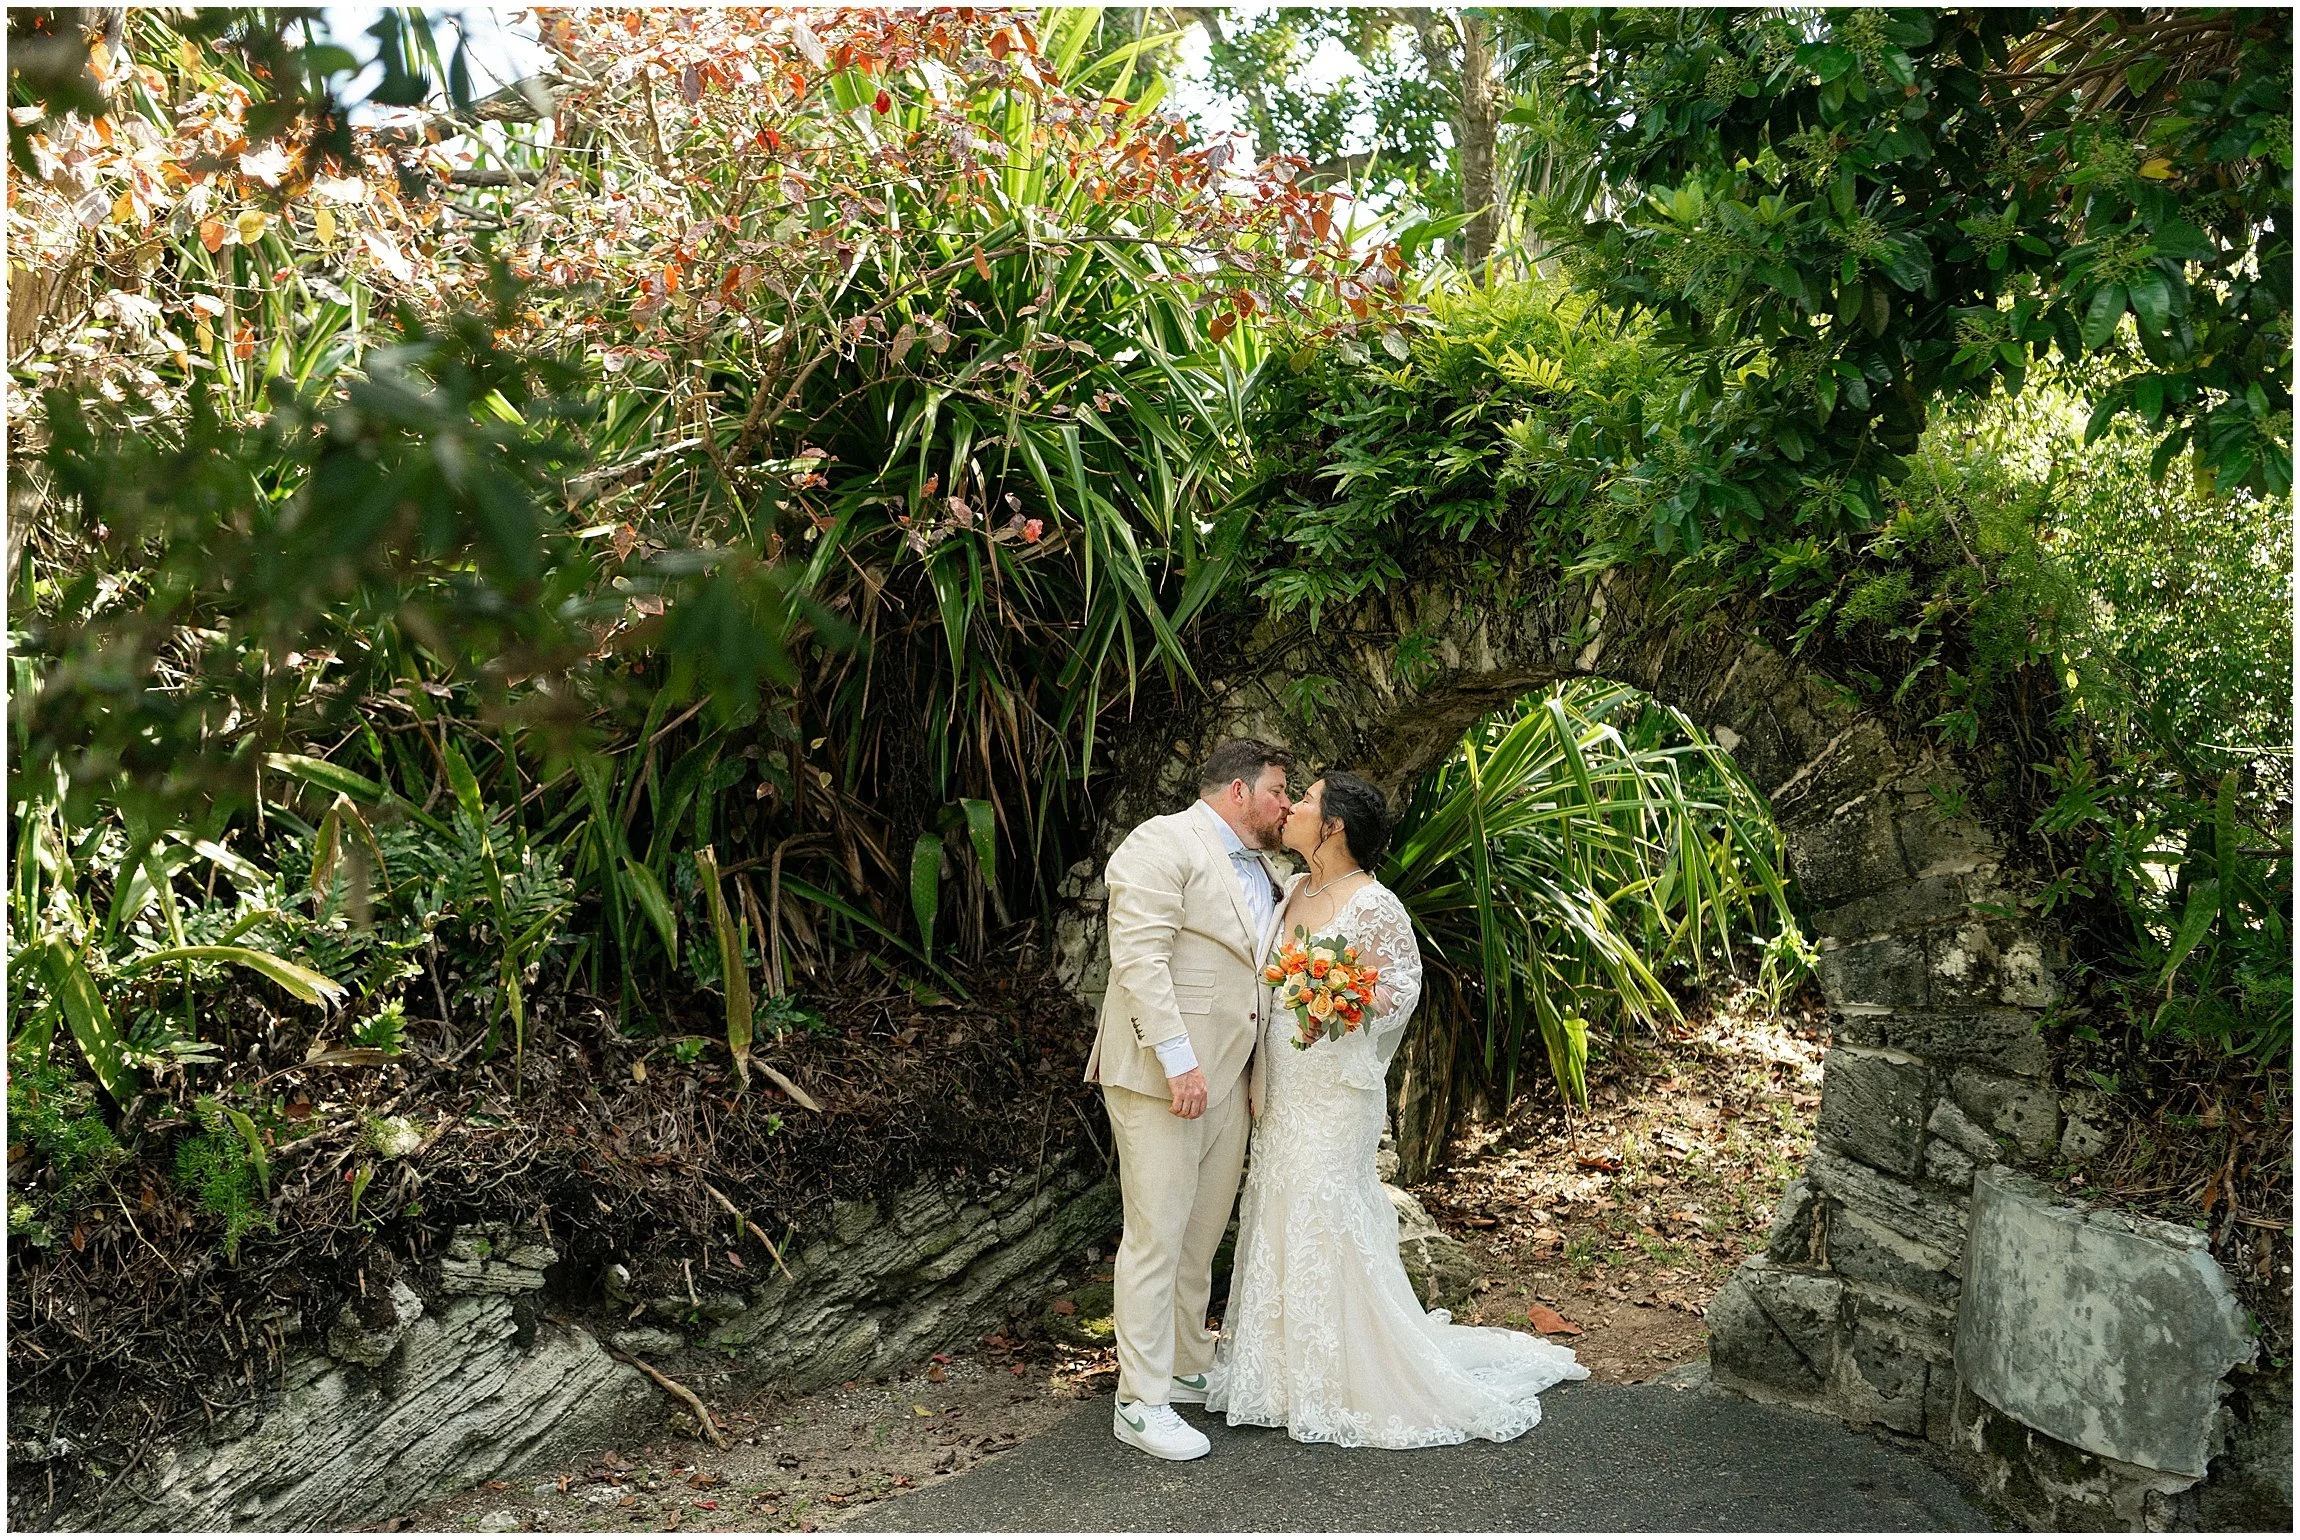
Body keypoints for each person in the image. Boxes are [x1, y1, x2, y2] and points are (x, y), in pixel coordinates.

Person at [1206, 770, 1587, 1447]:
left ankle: (1352, 1375)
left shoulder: (1374, 904)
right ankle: (1283, 1375)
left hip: (1336, 1090)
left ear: (1334, 827)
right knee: (1280, 1206)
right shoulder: (1293, 888)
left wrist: (1340, 996)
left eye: (1307, 801)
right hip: (1285, 1087)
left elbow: (1400, 990)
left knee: (1327, 1213)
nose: (1291, 808)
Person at [1083, 738, 1297, 1461]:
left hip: (1230, 1077)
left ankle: (1183, 1363)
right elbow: (1139, 960)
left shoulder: (1265, 868)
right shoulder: (1160, 842)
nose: (1285, 805)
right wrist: (1179, 1063)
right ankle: (1138, 1401)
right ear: (1238, 791)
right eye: (1277, 790)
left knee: (1200, 1237)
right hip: (1163, 1078)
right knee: (1156, 1236)